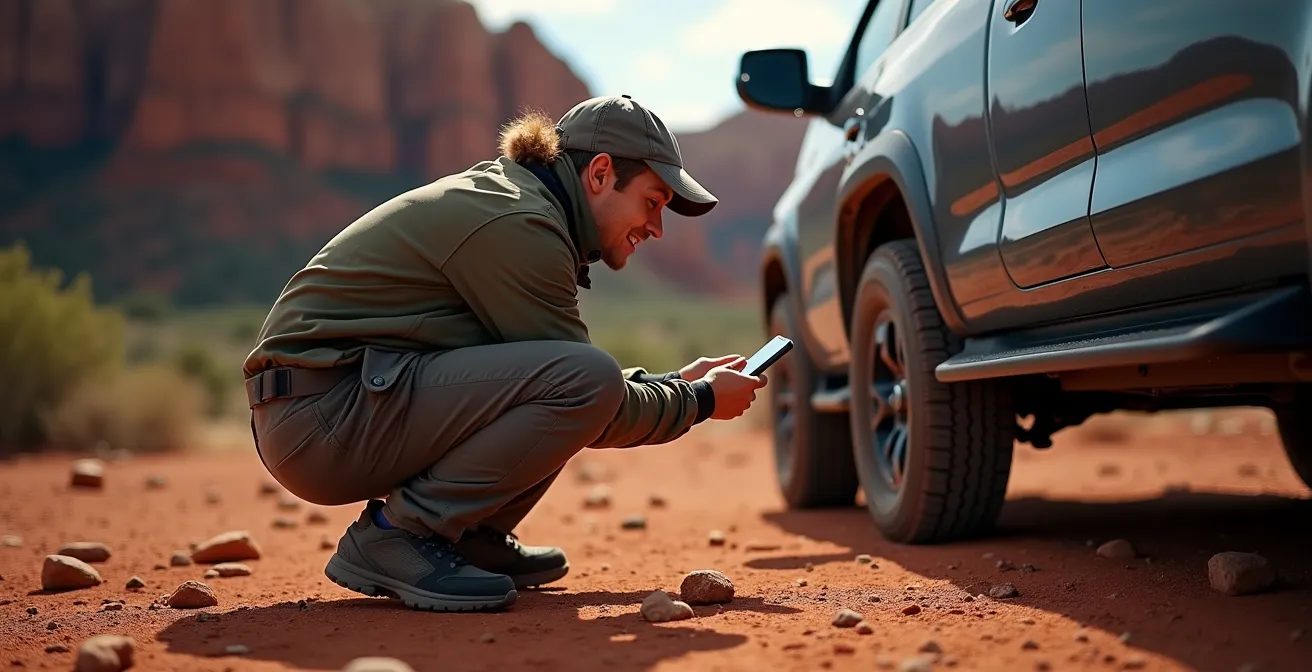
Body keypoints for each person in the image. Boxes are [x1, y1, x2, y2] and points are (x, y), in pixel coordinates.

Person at [241, 95, 768, 612]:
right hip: (319, 419)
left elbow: (544, 374)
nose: (657, 227)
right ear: (601, 173)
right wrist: (697, 400)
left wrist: (675, 380)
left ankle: (466, 534)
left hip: (330, 405)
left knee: (574, 377)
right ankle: (397, 535)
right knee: (583, 380)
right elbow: (589, 394)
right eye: (652, 202)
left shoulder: (521, 203)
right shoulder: (521, 222)